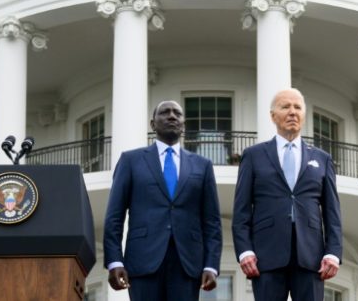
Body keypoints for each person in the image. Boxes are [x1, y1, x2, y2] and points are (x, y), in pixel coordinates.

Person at [103, 100, 222, 301]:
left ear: (183, 124)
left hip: (187, 264)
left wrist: (211, 265)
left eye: (177, 113)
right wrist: (115, 261)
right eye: (165, 112)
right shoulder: (131, 161)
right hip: (142, 261)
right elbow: (114, 216)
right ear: (153, 124)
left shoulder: (202, 166)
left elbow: (212, 222)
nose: (172, 116)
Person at [232, 88, 342, 301]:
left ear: (303, 115)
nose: (292, 112)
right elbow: (241, 210)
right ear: (273, 116)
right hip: (266, 257)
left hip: (312, 258)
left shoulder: (322, 158)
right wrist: (245, 251)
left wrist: (333, 253)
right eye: (285, 107)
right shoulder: (253, 156)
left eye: (297, 107)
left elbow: (332, 213)